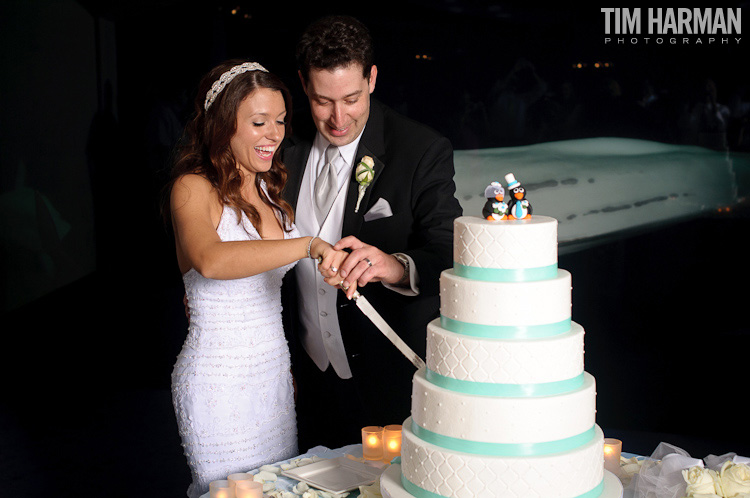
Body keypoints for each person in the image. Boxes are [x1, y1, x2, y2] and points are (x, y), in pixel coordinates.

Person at [280, 15, 463, 451]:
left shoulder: (420, 150)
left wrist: (395, 266)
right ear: (304, 84)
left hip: (386, 376)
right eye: (323, 101)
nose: (338, 118)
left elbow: (449, 252)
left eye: (351, 98)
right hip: (307, 376)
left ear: (372, 79)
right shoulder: (282, 145)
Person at [166, 59, 347, 498]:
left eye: (281, 121)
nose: (274, 135)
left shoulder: (271, 191)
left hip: (272, 376)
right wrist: (309, 245)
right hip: (218, 382)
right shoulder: (192, 187)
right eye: (260, 122)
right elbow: (210, 260)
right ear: (223, 123)